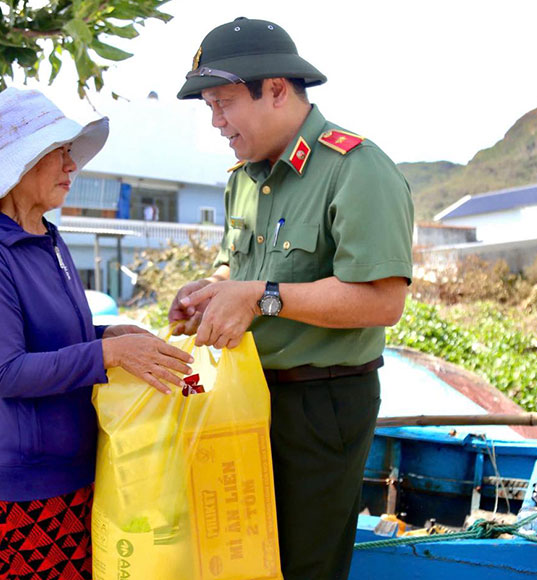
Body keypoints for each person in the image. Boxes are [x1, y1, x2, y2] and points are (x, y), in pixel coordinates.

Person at [170, 18, 414, 580]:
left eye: (224, 103)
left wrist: (261, 298)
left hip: (320, 403)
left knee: (305, 564)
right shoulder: (243, 178)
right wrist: (212, 291)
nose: (216, 121)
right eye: (209, 107)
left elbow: (383, 302)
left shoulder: (355, 169)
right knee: (237, 561)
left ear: (277, 89)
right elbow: (237, 266)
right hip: (244, 395)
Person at [0, 87, 193, 580]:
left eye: (70, 152)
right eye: (58, 152)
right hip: (29, 485)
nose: (71, 166)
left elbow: (58, 337)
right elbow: (5, 373)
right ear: (19, 164)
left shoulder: (48, 236)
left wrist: (109, 333)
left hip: (84, 469)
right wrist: (108, 353)